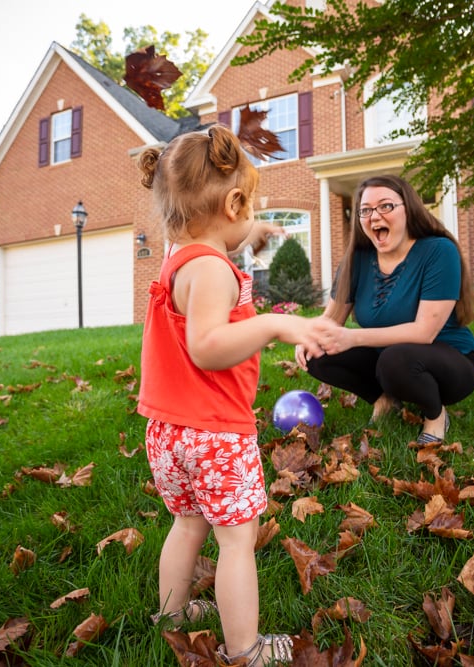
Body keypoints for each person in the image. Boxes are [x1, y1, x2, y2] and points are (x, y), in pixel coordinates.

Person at [136, 124, 331, 666]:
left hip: (169, 431)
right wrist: (273, 325)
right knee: (236, 542)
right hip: (215, 432)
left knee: (188, 523)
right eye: (250, 207)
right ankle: (245, 650)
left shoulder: (181, 255)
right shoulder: (214, 271)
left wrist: (255, 226)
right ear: (233, 202)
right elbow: (207, 346)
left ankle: (170, 617)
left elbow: (213, 230)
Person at [298, 174, 474, 444]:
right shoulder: (357, 260)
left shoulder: (438, 251)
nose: (374, 216)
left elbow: (424, 333)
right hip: (390, 360)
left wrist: (353, 337)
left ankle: (435, 414)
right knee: (317, 351)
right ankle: (384, 399)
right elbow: (331, 319)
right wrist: (308, 335)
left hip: (449, 362)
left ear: (409, 209)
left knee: (395, 360)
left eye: (385, 206)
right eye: (366, 210)